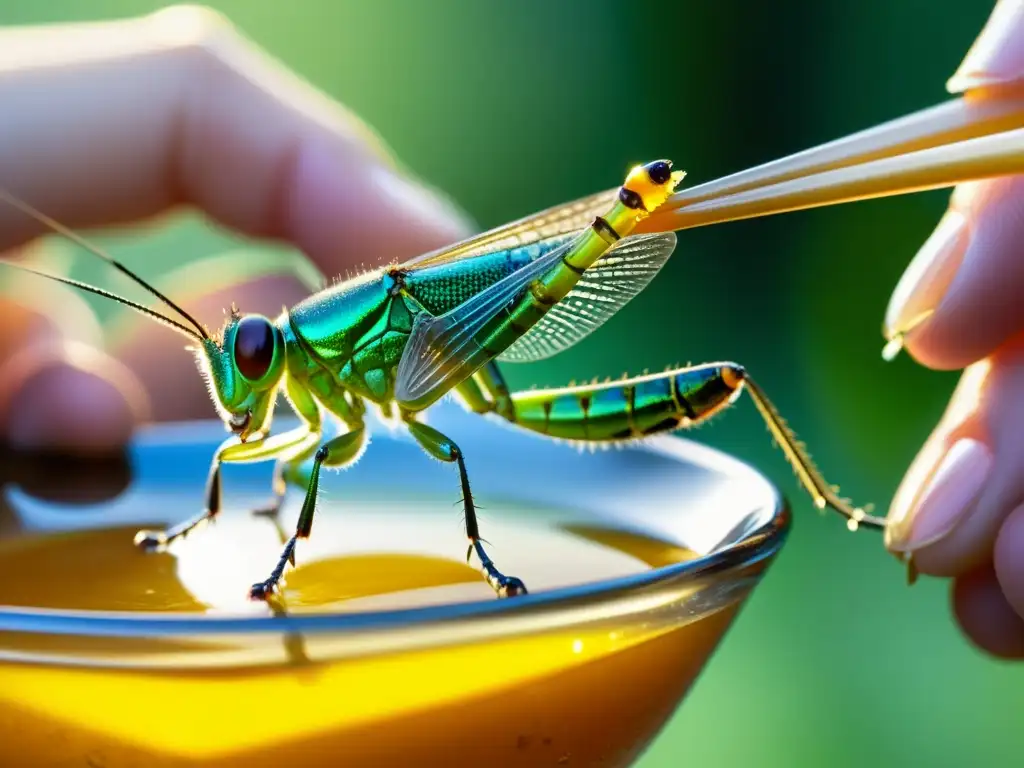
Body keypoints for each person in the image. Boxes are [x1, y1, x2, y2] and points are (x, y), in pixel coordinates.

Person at [1, 4, 1022, 655]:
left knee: (443, 434)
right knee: (317, 454)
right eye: (237, 357)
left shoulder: (360, 343)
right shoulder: (301, 385)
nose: (240, 376)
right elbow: (284, 452)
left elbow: (401, 449)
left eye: (249, 352)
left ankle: (831, 501)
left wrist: (613, 224)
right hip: (478, 382)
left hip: (487, 328)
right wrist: (220, 517)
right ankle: (221, 536)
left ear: (282, 344)